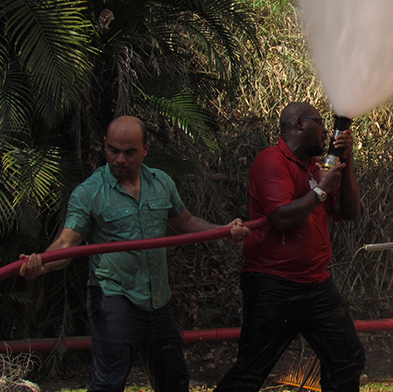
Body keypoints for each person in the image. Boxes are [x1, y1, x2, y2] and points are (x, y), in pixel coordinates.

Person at [18, 115, 251, 392]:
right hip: (114, 299)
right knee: (109, 383)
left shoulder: (160, 183)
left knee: (174, 378)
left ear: (146, 149)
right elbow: (67, 244)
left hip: (157, 300)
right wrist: (41, 264)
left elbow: (185, 222)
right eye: (112, 150)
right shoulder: (89, 193)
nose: (119, 159)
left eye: (129, 152)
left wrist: (223, 230)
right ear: (104, 145)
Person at [215, 102, 365, 392]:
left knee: (347, 359)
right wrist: (320, 189)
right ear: (298, 123)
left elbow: (350, 212)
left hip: (317, 284)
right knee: (250, 372)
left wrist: (346, 163)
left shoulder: (316, 168)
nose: (325, 131)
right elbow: (282, 218)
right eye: (320, 123)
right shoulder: (271, 161)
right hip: (273, 284)